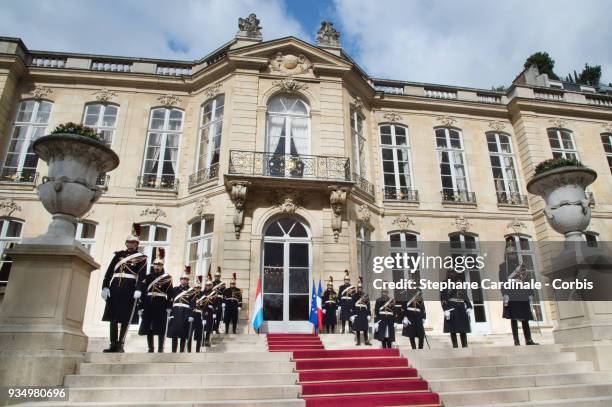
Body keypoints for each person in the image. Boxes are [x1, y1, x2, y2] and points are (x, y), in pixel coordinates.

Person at [101, 223, 148, 353]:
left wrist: (139, 289)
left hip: (129, 288)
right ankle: (113, 343)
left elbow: (142, 275)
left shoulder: (141, 258)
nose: (130, 244)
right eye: (128, 242)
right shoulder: (118, 255)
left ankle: (121, 343)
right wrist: (105, 286)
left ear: (137, 244)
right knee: (113, 317)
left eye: (133, 242)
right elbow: (109, 271)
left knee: (125, 317)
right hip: (115, 287)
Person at [500, 241, 539, 346]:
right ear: (507, 255)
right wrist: (505, 294)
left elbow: (527, 279)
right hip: (512, 293)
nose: (513, 255)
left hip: (522, 293)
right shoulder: (503, 266)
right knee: (513, 318)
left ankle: (528, 339)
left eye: (514, 253)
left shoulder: (522, 265)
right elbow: (503, 280)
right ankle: (516, 341)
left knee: (525, 317)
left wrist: (530, 293)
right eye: (511, 254)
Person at [137, 248, 173, 353]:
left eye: (159, 265)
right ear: (153, 265)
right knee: (149, 327)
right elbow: (143, 293)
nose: (157, 266)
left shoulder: (167, 278)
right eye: (155, 264)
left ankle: (160, 348)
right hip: (148, 303)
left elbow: (170, 293)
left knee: (161, 327)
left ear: (162, 266)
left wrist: (169, 307)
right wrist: (140, 307)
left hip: (161, 304)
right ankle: (150, 348)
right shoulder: (147, 277)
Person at [441, 268, 472, 348]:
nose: (452, 275)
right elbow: (443, 298)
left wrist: (468, 305)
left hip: (461, 307)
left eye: (453, 273)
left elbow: (464, 295)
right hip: (451, 307)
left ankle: (465, 346)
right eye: (450, 273)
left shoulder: (459, 282)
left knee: (463, 329)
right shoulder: (444, 283)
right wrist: (445, 309)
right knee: (452, 329)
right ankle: (455, 347)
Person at [167, 267, 196, 353]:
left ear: (188, 281)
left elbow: (193, 304)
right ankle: (173, 352)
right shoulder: (175, 289)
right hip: (175, 312)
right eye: (182, 279)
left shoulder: (191, 291)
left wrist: (191, 315)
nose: (183, 281)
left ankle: (181, 352)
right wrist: (170, 311)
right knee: (174, 334)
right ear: (180, 280)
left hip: (185, 313)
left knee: (183, 334)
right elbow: (170, 300)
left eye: (185, 279)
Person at [350, 278, 371, 346]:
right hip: (357, 313)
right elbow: (352, 306)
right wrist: (352, 315)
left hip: (364, 313)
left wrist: (369, 314)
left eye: (361, 288)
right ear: (357, 288)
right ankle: (358, 341)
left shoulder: (366, 296)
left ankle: (366, 341)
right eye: (358, 288)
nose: (360, 289)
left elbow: (368, 305)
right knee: (358, 328)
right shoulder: (354, 296)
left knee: (365, 328)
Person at [200, 275, 217, 347]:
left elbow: (216, 303)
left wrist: (215, 312)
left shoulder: (214, 293)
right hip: (203, 310)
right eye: (207, 285)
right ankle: (202, 339)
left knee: (209, 326)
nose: (208, 286)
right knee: (202, 326)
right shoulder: (202, 293)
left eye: (210, 285)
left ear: (212, 286)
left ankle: (207, 339)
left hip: (210, 311)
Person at [187, 282, 203, 352]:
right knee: (189, 335)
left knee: (199, 335)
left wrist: (204, 317)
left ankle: (197, 350)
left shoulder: (203, 296)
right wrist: (189, 315)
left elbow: (205, 307)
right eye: (196, 288)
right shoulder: (191, 296)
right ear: (194, 288)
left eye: (199, 288)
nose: (197, 289)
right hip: (192, 316)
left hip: (199, 316)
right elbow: (188, 306)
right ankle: (189, 350)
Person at [212, 267, 225, 334]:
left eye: (218, 276)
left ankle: (216, 328)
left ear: (220, 277)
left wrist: (223, 302)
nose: (217, 277)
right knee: (213, 315)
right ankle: (212, 328)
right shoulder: (212, 284)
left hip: (219, 300)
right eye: (216, 276)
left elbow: (224, 294)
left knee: (219, 316)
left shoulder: (222, 284)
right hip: (213, 300)